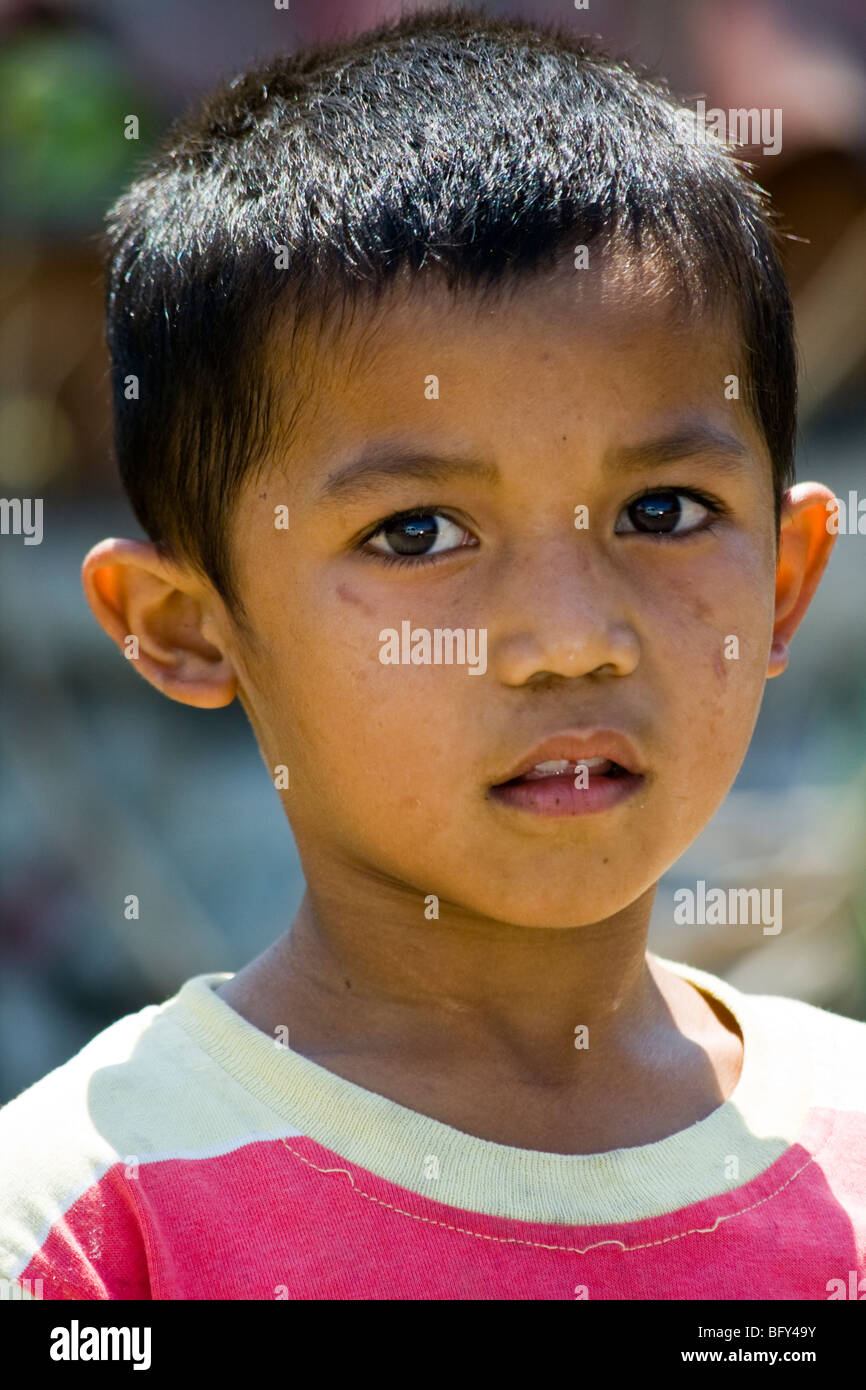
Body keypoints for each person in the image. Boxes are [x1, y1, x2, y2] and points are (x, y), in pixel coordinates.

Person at [2, 7, 863, 1301]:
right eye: (417, 531)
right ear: (185, 626)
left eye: (663, 513)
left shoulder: (845, 1143)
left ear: (786, 580)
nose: (571, 639)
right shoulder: (88, 1228)